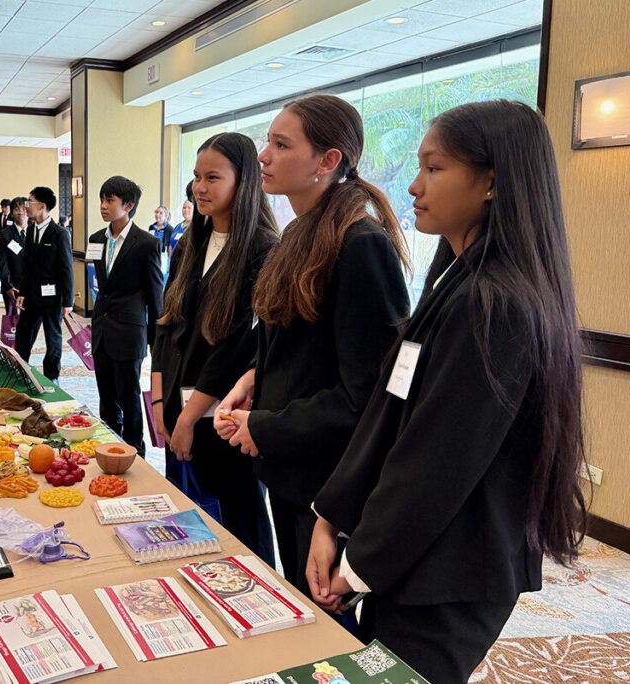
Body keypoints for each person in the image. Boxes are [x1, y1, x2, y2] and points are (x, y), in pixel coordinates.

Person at [306, 100, 587, 683]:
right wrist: (331, 518)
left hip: (452, 571)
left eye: (434, 169)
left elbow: (436, 460)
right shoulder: (456, 278)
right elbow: (390, 416)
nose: (413, 185)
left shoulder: (496, 302)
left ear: (490, 181)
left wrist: (358, 566)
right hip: (417, 556)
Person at [213, 94, 410, 596]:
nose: (264, 157)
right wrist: (251, 379)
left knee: (322, 617)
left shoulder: (360, 243)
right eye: (267, 143)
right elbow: (295, 340)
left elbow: (367, 395)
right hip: (287, 465)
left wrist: (267, 426)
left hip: (327, 481)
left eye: (281, 145)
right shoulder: (300, 231)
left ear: (328, 161)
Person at [153, 134, 280, 562]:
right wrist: (159, 401)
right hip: (179, 406)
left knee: (238, 525)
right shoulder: (190, 241)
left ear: (243, 182)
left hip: (226, 415)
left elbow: (237, 347)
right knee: (188, 525)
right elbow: (167, 325)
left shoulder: (263, 248)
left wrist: (190, 417)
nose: (199, 188)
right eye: (195, 177)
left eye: (212, 177)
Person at [90, 176, 162, 457]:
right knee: (106, 399)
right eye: (102, 199)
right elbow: (102, 287)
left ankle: (135, 453)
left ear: (128, 205)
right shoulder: (97, 239)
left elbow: (155, 298)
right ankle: (110, 449)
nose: (103, 206)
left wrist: (157, 343)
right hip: (102, 330)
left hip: (130, 332)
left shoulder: (146, 243)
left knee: (129, 398)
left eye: (110, 200)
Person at [15, 186, 72, 382]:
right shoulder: (31, 230)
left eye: (29, 203)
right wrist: (22, 291)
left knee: (53, 338)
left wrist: (68, 300)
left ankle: (52, 375)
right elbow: (27, 265)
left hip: (52, 295)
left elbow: (66, 269)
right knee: (23, 335)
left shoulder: (60, 233)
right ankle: (21, 370)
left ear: (42, 206)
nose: (26, 207)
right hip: (31, 294)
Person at [0, 196, 28, 311]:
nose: (21, 212)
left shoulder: (36, 232)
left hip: (32, 286)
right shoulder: (5, 234)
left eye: (24, 209)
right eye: (17, 209)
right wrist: (8, 285)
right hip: (13, 286)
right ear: (12, 212)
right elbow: (2, 263)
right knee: (13, 324)